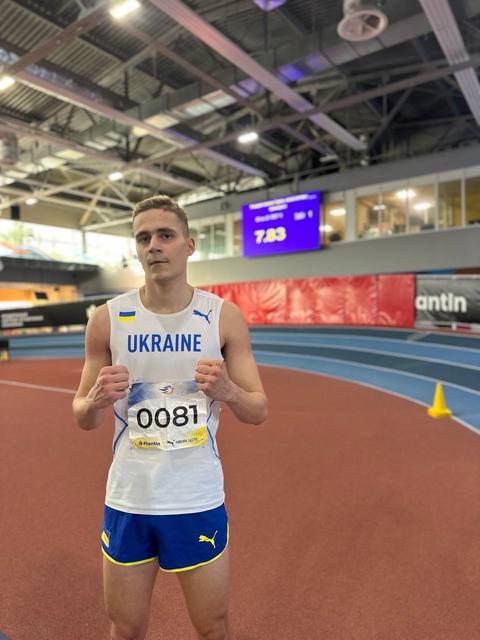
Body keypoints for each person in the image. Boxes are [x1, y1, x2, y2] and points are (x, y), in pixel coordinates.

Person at [72, 195, 268, 640]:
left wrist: (229, 391)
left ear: (189, 245)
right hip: (129, 498)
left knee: (213, 627)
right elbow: (83, 416)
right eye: (143, 238)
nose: (154, 246)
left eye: (165, 235)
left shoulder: (222, 318)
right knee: (125, 628)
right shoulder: (107, 320)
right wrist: (95, 400)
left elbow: (258, 410)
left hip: (195, 497)